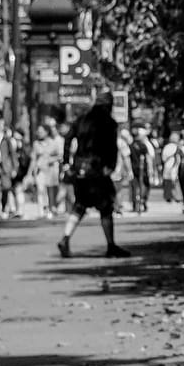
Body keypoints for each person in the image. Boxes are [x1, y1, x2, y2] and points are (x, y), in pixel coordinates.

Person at [58, 88, 129, 258]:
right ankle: (111, 245)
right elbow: (111, 147)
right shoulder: (109, 123)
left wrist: (67, 162)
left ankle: (65, 238)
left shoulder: (81, 119)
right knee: (106, 207)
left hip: (80, 168)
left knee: (80, 205)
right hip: (98, 169)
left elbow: (67, 138)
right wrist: (110, 166)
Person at [32, 116, 64, 217]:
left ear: (46, 132)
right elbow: (33, 158)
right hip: (40, 171)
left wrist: (51, 160)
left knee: (50, 191)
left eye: (41, 131)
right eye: (38, 131)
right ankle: (42, 211)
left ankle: (51, 208)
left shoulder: (53, 142)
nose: (39, 133)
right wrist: (31, 171)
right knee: (41, 190)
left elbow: (60, 156)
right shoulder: (36, 144)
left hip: (51, 170)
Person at [127, 122, 153, 213]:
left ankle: (136, 204)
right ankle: (142, 201)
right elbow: (148, 158)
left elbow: (128, 158)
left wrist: (129, 170)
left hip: (134, 168)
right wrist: (150, 169)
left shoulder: (131, 145)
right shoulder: (143, 145)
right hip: (143, 169)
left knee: (135, 187)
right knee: (145, 185)